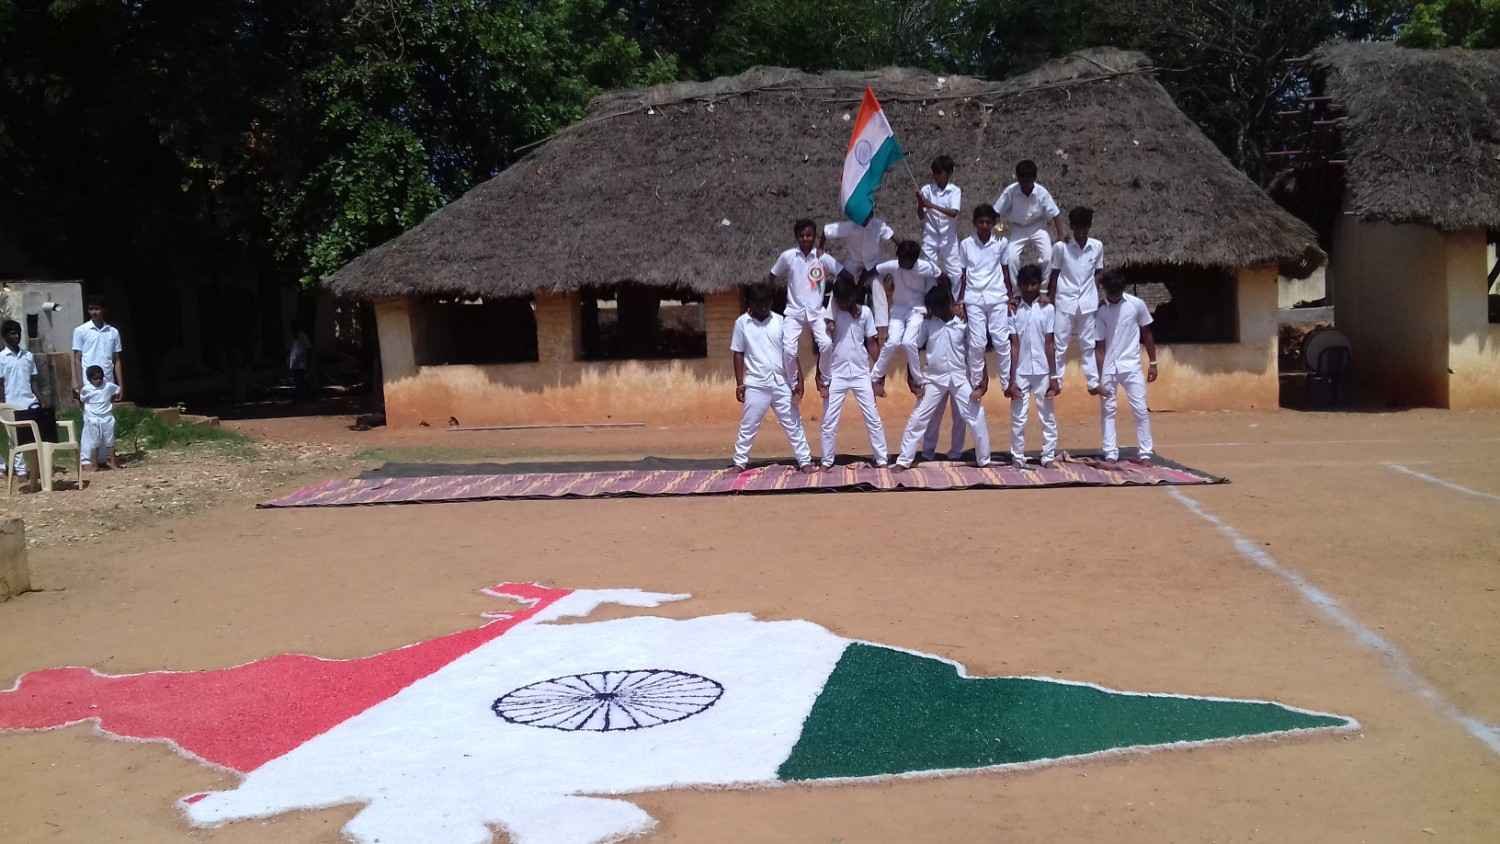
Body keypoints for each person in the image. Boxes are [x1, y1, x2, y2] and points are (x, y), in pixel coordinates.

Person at [892, 285, 991, 470]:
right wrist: (911, 376)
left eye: (936, 308)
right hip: (934, 379)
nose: (933, 312)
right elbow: (914, 348)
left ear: (946, 304)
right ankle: (904, 460)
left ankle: (984, 460)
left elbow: (976, 351)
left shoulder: (963, 323)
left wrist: (983, 380)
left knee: (976, 416)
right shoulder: (928, 324)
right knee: (918, 418)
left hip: (960, 378)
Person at [730, 284, 817, 473]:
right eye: (759, 303)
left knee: (793, 423)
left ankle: (805, 461)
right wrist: (739, 383)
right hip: (755, 383)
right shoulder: (742, 323)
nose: (763, 307)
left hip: (781, 382)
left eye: (766, 303)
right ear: (750, 303)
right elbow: (738, 353)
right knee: (748, 425)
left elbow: (791, 353)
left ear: (771, 302)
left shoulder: (781, 322)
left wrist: (798, 380)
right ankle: (739, 462)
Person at [819, 274, 888, 469]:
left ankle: (882, 459)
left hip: (860, 373)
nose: (841, 304)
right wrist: (821, 378)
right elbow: (824, 347)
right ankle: (826, 461)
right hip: (836, 373)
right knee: (829, 420)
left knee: (872, 417)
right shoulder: (831, 315)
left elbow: (872, 342)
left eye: (845, 300)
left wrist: (880, 370)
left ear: (852, 297)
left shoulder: (865, 313)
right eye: (838, 300)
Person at [768, 219, 842, 396]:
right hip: (794, 312)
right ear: (796, 237)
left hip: (817, 312)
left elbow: (843, 273)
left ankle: (823, 379)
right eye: (801, 236)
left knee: (826, 345)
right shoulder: (788, 256)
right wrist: (768, 301)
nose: (805, 239)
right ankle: (794, 383)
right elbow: (772, 275)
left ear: (814, 236)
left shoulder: (822, 257)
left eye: (809, 235)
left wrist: (833, 304)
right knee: (788, 349)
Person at [1093, 270, 1157, 464]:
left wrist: (1153, 362)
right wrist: (1099, 376)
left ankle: (1145, 452)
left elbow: (1147, 334)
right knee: (1108, 410)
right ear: (1104, 289)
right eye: (1110, 291)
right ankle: (1110, 453)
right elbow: (1100, 345)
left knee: (1140, 409)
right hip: (1109, 368)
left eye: (1117, 291)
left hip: (1132, 366)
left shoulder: (1136, 305)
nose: (1114, 295)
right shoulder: (1101, 311)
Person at [869, 240, 940, 398]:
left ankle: (918, 380)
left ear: (914, 260)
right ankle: (874, 377)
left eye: (905, 260)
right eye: (900, 259)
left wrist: (934, 302)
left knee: (909, 342)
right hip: (898, 311)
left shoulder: (924, 267)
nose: (901, 263)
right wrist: (857, 285)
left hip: (917, 310)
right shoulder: (894, 265)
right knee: (892, 342)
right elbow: (874, 270)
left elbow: (940, 276)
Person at [1005, 265, 1059, 468]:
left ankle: (1048, 456)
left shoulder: (1047, 308)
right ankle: (1018, 456)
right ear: (1019, 285)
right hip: (1021, 371)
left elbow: (1049, 343)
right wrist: (1011, 379)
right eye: (1025, 284)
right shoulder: (1013, 310)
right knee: (1019, 416)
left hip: (1043, 370)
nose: (1029, 288)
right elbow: (1014, 345)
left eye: (1034, 283)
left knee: (1047, 415)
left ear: (1039, 285)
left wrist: (1054, 376)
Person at [1049, 206, 1104, 393]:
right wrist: (1050, 300)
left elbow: (1098, 272)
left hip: (1088, 302)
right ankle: (1056, 381)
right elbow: (1054, 275)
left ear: (1089, 227)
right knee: (1060, 343)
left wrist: (1096, 293)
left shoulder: (1097, 247)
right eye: (1078, 228)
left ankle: (1093, 382)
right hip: (1065, 301)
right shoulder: (1061, 248)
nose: (1081, 232)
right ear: (1072, 227)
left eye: (1085, 228)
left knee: (1088, 344)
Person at [0, 320, 57, 486]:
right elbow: (1, 383)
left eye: (17, 333)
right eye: (11, 333)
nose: (15, 336)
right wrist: (2, 403)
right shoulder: (2, 358)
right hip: (11, 402)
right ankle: (21, 470)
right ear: (4, 336)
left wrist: (41, 399)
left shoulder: (28, 356)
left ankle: (38, 469)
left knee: (36, 436)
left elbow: (33, 381)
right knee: (15, 438)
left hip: (29, 402)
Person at [994, 160, 1063, 285]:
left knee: (1047, 256)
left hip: (1038, 227)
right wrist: (999, 229)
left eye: (1028, 181)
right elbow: (996, 212)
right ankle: (1016, 292)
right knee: (1011, 257)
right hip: (1018, 228)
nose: (1025, 184)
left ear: (1034, 178)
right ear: (1018, 178)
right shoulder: (1010, 191)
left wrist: (1060, 236)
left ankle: (1043, 289)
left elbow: (1055, 214)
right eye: (1022, 181)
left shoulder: (1041, 192)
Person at [821, 212, 892, 334]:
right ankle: (830, 318)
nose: (867, 219)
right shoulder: (849, 226)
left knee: (877, 286)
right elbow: (826, 231)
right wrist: (820, 248)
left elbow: (892, 236)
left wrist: (902, 245)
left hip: (873, 264)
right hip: (854, 262)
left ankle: (882, 327)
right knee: (840, 283)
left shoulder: (878, 224)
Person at [916, 155, 962, 279]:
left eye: (939, 173)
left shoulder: (954, 191)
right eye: (934, 173)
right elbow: (921, 216)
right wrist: (920, 204)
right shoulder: (926, 190)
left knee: (955, 273)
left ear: (949, 173)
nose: (936, 176)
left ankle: (956, 297)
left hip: (949, 238)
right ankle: (931, 296)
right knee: (928, 271)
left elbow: (954, 212)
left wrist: (931, 205)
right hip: (930, 237)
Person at [71, 298, 124, 401]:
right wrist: (80, 384)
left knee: (107, 413)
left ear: (103, 310)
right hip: (88, 382)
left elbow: (117, 360)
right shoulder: (80, 330)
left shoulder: (113, 332)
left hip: (107, 380)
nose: (94, 312)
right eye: (91, 309)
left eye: (97, 309)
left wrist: (120, 386)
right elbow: (77, 359)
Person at [79, 364, 122, 470]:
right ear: (89, 379)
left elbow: (118, 390)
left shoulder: (108, 386)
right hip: (93, 418)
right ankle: (94, 464)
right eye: (95, 379)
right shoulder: (86, 389)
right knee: (94, 442)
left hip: (107, 417)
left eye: (100, 378)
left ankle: (112, 462)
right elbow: (81, 400)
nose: (98, 381)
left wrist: (111, 399)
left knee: (110, 441)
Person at [288, 328, 313, 402]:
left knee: (300, 380)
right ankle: (300, 397)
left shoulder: (302, 337)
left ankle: (302, 397)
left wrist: (307, 362)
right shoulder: (293, 339)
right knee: (297, 380)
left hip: (301, 363)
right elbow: (292, 353)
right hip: (295, 363)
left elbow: (308, 349)